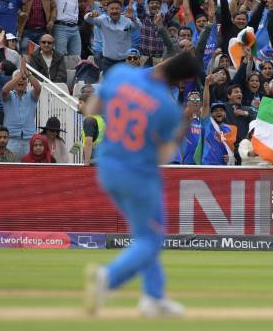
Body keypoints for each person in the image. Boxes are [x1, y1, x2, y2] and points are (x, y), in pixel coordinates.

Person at [84, 51, 202, 317]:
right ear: (180, 81)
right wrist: (180, 133)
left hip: (107, 167)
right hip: (138, 174)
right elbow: (163, 156)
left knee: (144, 235)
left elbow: (90, 111)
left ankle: (153, 298)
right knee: (151, 238)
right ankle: (108, 278)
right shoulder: (167, 106)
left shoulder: (120, 73)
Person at [78, 92, 105, 166]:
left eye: (80, 103)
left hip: (93, 162)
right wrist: (72, 152)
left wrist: (86, 164)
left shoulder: (89, 120)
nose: (77, 105)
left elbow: (88, 143)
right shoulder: (99, 118)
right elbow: (82, 141)